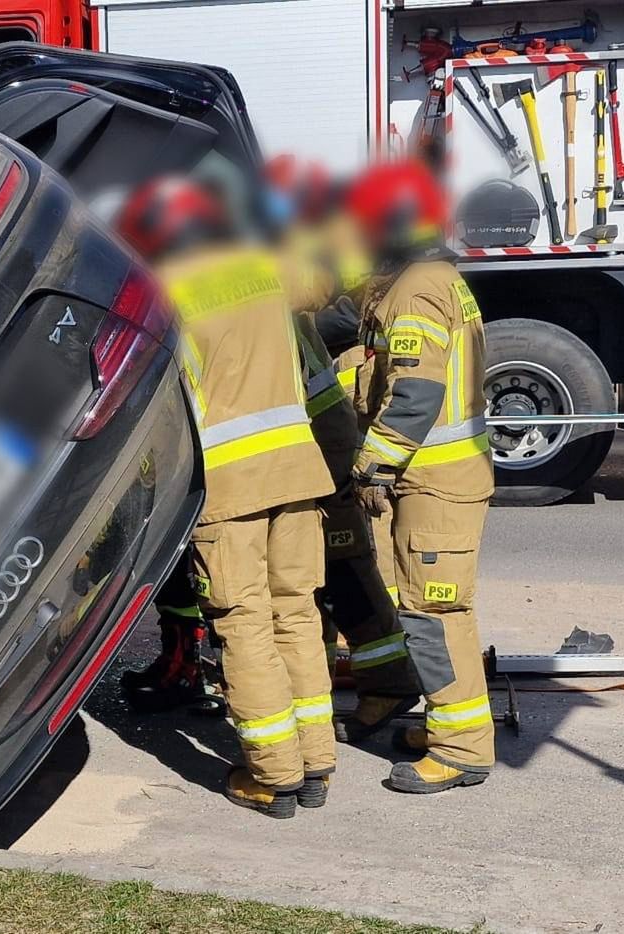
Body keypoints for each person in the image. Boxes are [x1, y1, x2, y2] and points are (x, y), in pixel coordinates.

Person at [117, 176, 338, 818]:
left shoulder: (167, 293)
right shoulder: (266, 269)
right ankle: (317, 760)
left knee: (243, 627)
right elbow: (325, 282)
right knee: (295, 613)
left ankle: (273, 775)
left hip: (232, 486)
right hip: (298, 475)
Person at [341, 160, 497, 794]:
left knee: (435, 613)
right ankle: (447, 727)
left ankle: (460, 750)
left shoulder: (416, 289)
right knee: (431, 608)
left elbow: (415, 392)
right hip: (441, 475)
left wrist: (374, 462)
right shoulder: (438, 278)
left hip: (434, 479)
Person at [265, 154, 423, 741]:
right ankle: (380, 674)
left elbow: (340, 303)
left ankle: (389, 679)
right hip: (314, 419)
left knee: (336, 554)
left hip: (312, 425)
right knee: (335, 554)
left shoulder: (273, 259)